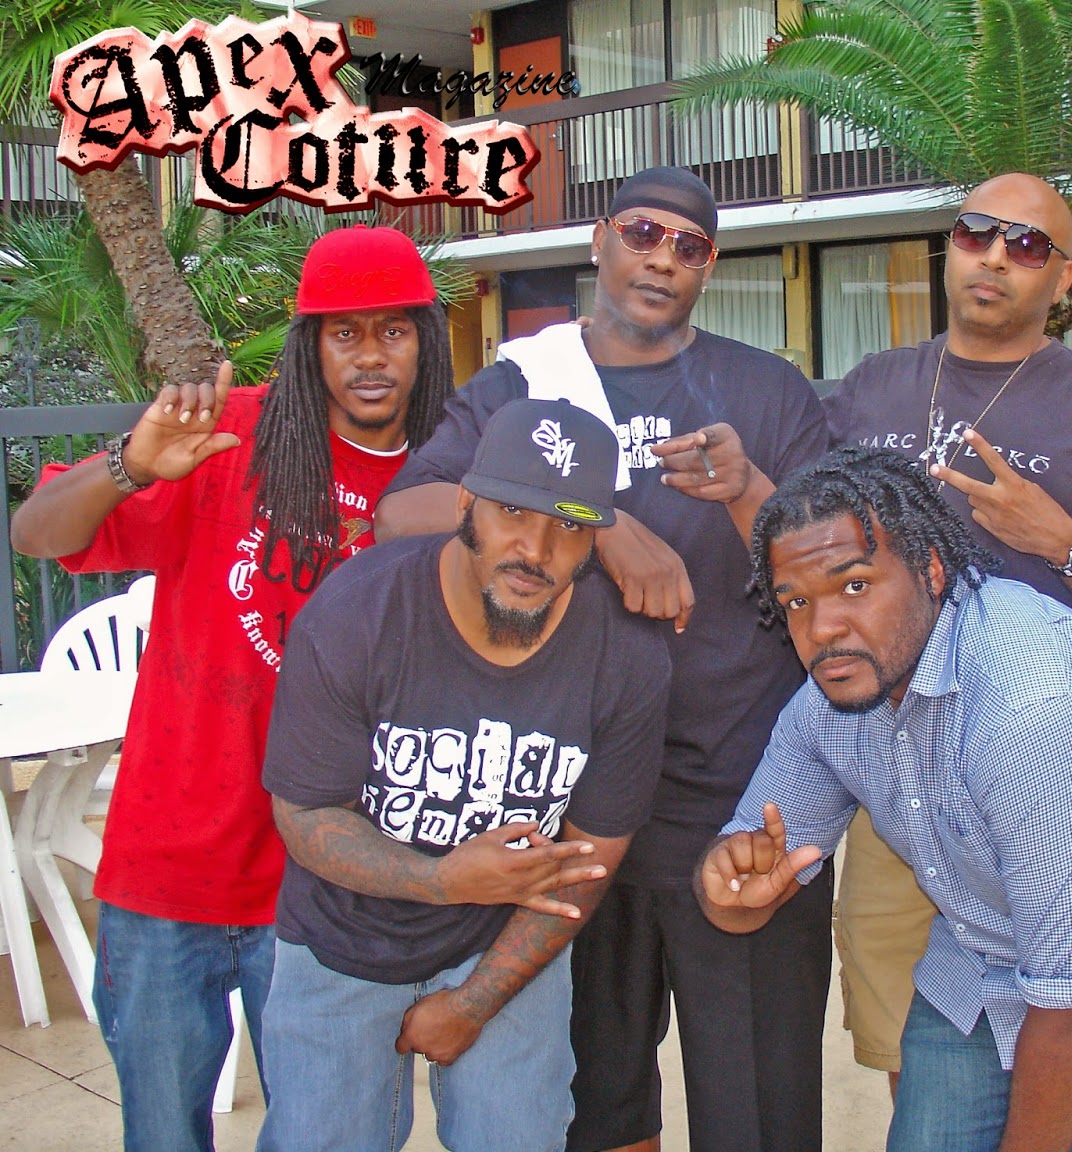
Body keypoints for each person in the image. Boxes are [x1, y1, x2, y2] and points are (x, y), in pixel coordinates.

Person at [374, 166, 832, 1152]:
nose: (662, 258)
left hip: (741, 798)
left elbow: (832, 575)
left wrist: (748, 487)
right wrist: (600, 519)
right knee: (596, 1100)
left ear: (709, 267)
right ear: (599, 240)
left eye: (689, 246)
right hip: (570, 805)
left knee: (758, 1103)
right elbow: (400, 516)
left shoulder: (765, 391)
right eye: (641, 233)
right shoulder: (522, 386)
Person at [698, 447, 1072, 1152]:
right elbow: (750, 869)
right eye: (797, 601)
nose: (822, 628)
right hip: (986, 947)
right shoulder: (834, 697)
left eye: (854, 585)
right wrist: (729, 884)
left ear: (931, 571)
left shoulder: (1038, 707)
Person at [9, 225, 452, 1152]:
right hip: (172, 861)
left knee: (329, 1134)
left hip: (335, 880)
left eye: (394, 331)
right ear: (310, 344)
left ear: (427, 340)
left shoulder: (448, 475)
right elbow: (38, 534)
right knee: (164, 1134)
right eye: (345, 332)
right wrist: (131, 465)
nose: (371, 356)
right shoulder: (223, 438)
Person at [820, 171, 1072, 1084]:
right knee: (907, 1056)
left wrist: (1065, 545)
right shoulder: (871, 389)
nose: (994, 258)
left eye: (1027, 245)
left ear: (1063, 278)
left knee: (1056, 1038)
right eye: (977, 233)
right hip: (898, 779)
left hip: (1046, 778)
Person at [255, 398, 670, 1152]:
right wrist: (443, 880)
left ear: (596, 540)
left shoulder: (626, 659)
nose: (536, 549)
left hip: (508, 935)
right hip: (342, 936)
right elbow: (306, 817)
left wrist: (474, 1003)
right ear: (464, 505)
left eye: (571, 524)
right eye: (512, 512)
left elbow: (588, 861)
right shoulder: (356, 616)